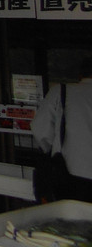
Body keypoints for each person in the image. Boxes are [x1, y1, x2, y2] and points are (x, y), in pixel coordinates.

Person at [31, 58, 92, 202]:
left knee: (70, 214)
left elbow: (40, 130)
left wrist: (50, 150)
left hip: (69, 174)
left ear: (80, 76)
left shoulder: (61, 91)